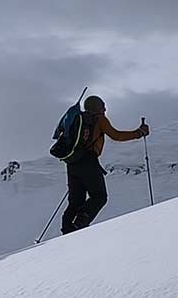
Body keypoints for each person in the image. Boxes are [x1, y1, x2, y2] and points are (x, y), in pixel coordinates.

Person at [60, 95, 149, 234]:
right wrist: (139, 133)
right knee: (99, 197)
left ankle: (66, 230)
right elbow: (116, 135)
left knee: (76, 201)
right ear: (98, 107)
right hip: (89, 161)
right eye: (103, 106)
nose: (105, 109)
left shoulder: (77, 120)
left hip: (72, 162)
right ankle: (79, 225)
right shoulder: (99, 119)